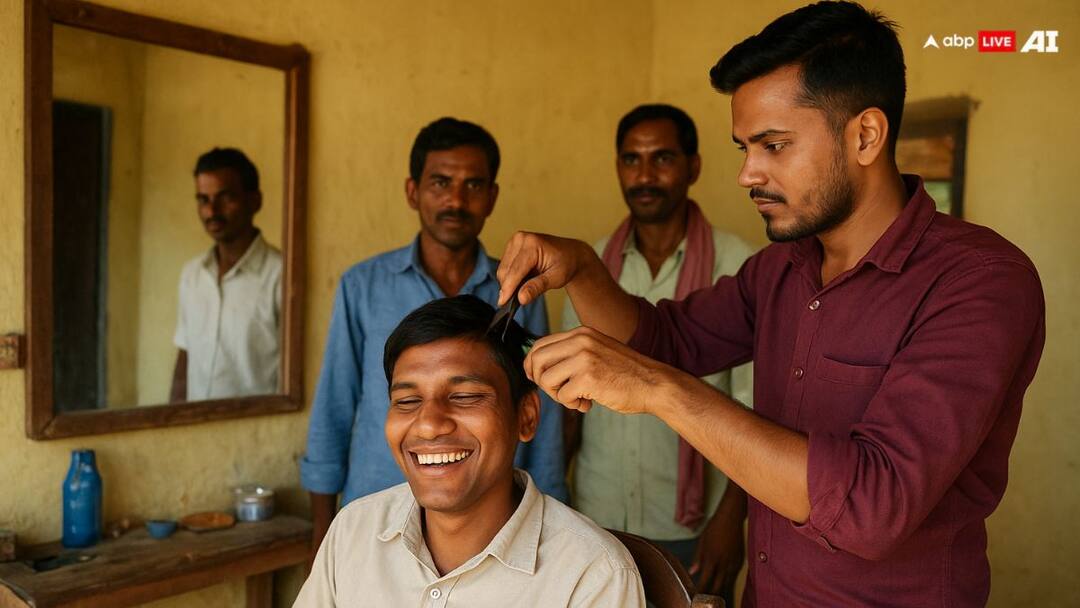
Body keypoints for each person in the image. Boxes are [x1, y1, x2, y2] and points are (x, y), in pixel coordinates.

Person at [496, 2, 1045, 606]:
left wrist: (659, 389)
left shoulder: (979, 282)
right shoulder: (781, 269)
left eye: (774, 145)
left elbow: (872, 504)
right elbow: (664, 339)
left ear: (865, 135)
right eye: (744, 147)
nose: (747, 173)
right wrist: (582, 267)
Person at [301, 118, 567, 559]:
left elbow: (539, 411)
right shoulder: (363, 286)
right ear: (413, 191)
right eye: (440, 182)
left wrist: (552, 508)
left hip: (491, 530)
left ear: (492, 197)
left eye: (473, 185)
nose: (456, 201)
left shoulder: (519, 291)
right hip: (376, 520)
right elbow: (335, 403)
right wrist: (322, 535)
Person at [294, 296, 644, 607]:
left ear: (526, 417)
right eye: (407, 401)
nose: (428, 425)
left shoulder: (592, 575)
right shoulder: (353, 531)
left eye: (465, 397)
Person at [562, 103, 753, 601]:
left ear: (693, 167)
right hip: (596, 515)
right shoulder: (591, 269)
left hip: (695, 523)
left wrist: (729, 522)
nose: (644, 175)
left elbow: (759, 412)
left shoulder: (739, 266)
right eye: (631, 159)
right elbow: (569, 405)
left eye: (662, 158)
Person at [170, 147, 281, 402]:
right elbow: (184, 360)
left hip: (256, 433)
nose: (212, 211)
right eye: (203, 200)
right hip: (194, 430)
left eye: (225, 197)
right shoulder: (192, 274)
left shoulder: (281, 276)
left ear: (255, 201)